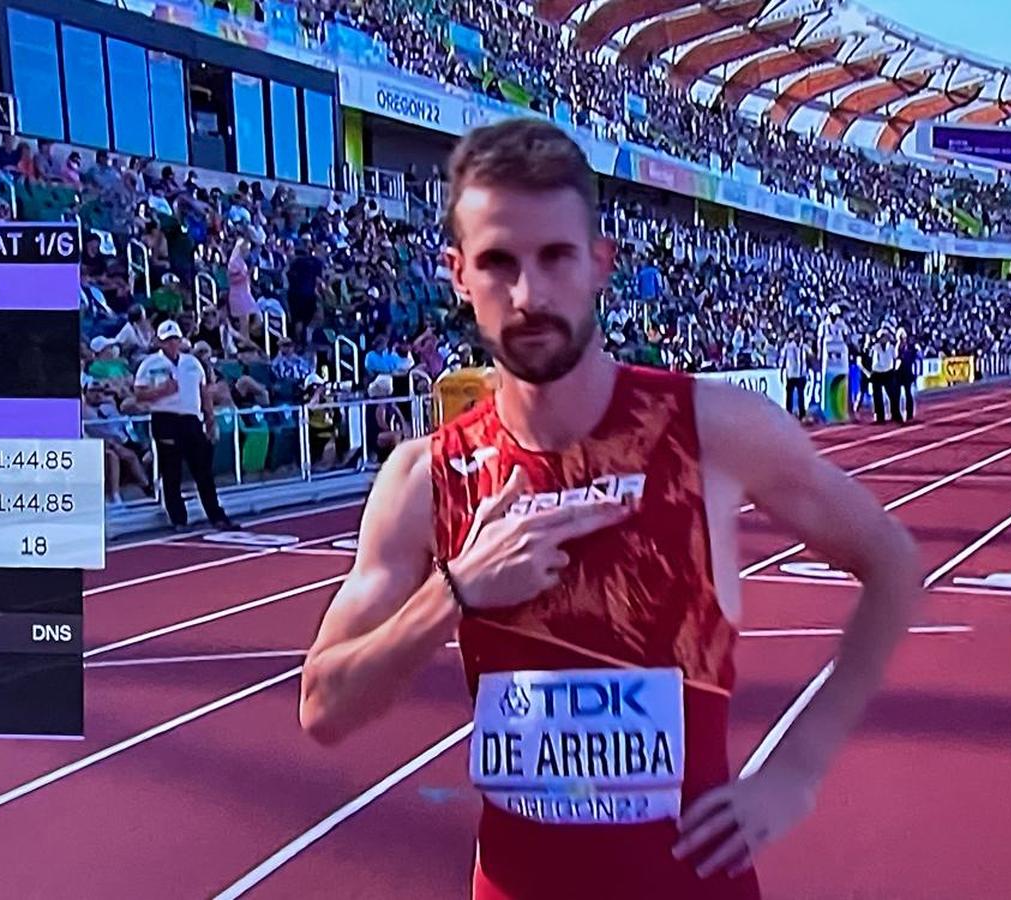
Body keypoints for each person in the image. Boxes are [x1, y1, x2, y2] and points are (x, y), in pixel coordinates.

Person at [299, 120, 920, 900]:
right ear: (458, 276)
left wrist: (799, 766)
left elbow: (891, 559)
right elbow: (323, 708)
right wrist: (454, 591)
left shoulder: (714, 430)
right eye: (497, 263)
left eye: (554, 256)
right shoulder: (425, 478)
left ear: (599, 262)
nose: (528, 295)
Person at [134, 320, 239, 533]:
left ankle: (216, 515)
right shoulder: (149, 365)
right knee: (171, 470)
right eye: (167, 340)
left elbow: (204, 392)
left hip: (191, 419)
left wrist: (210, 417)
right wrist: (161, 391)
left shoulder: (192, 363)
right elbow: (139, 394)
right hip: (165, 418)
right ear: (159, 342)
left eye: (175, 339)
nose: (172, 344)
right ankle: (178, 518)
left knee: (203, 469)